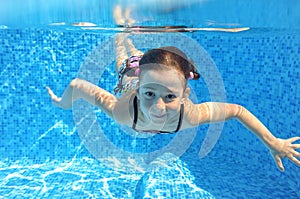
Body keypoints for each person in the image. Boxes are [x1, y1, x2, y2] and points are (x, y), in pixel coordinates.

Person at [46, 34, 300, 172]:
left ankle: (132, 45)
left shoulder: (189, 115)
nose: (158, 108)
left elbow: (238, 111)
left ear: (185, 95)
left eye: (169, 97)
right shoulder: (125, 111)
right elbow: (78, 85)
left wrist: (273, 142)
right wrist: (62, 103)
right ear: (138, 94)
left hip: (145, 76)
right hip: (131, 77)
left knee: (140, 61)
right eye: (149, 96)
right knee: (124, 60)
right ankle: (122, 38)